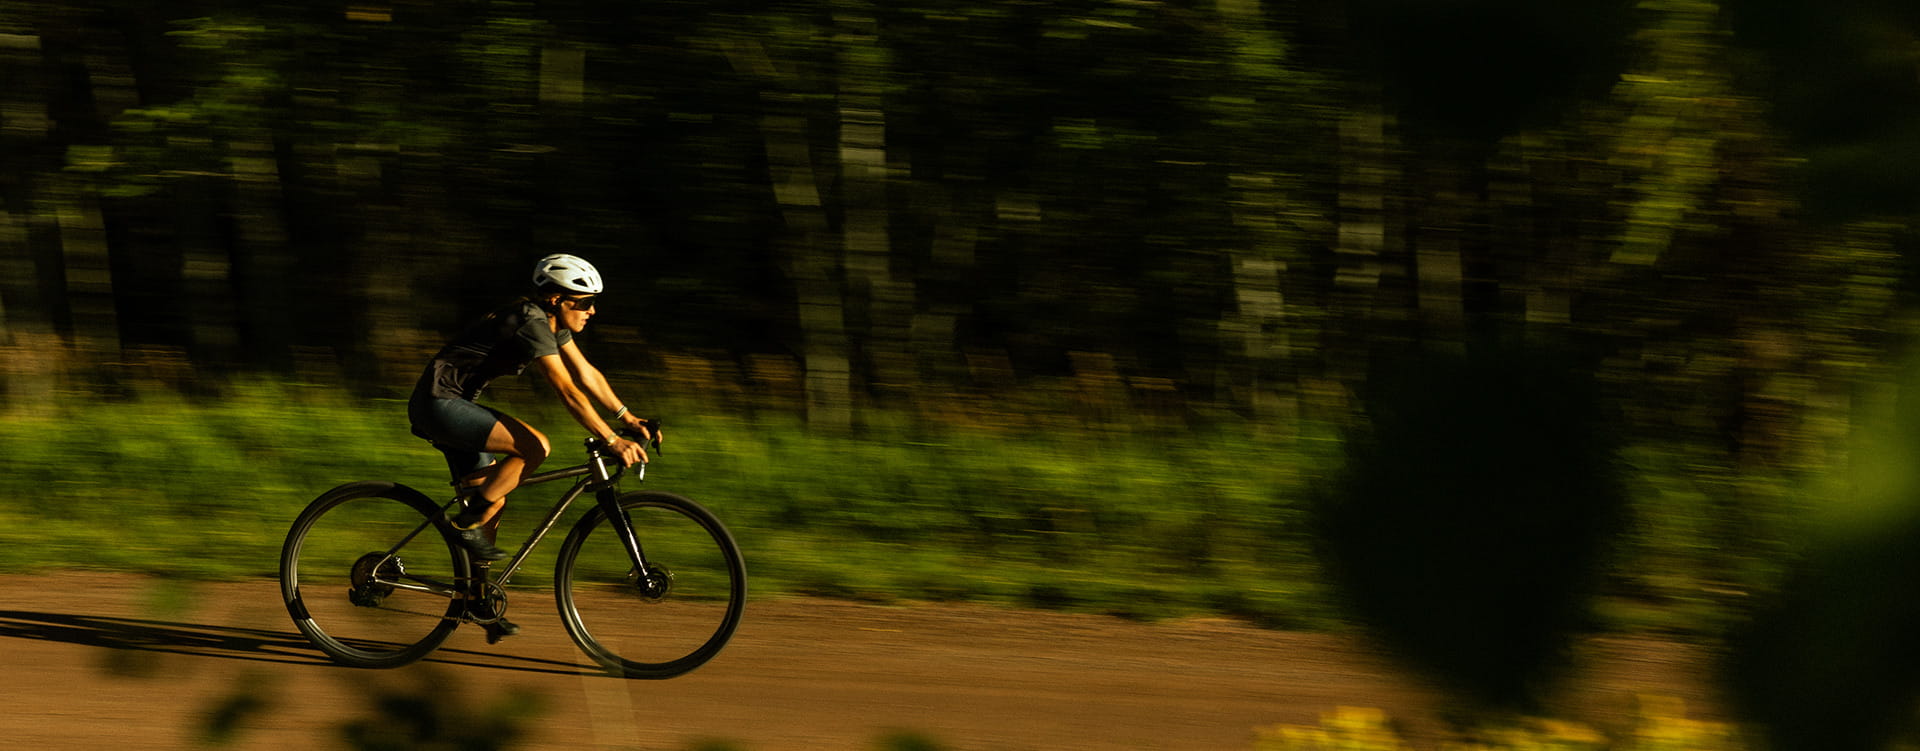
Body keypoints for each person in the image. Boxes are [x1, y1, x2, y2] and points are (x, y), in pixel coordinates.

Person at [406, 253, 656, 642]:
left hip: (453, 405)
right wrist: (611, 440)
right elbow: (567, 390)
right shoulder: (530, 321)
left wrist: (627, 418)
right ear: (556, 298)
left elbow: (586, 373)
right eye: (585, 302)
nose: (592, 310)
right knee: (536, 446)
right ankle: (461, 524)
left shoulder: (550, 323)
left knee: (494, 500)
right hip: (439, 404)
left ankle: (477, 599)